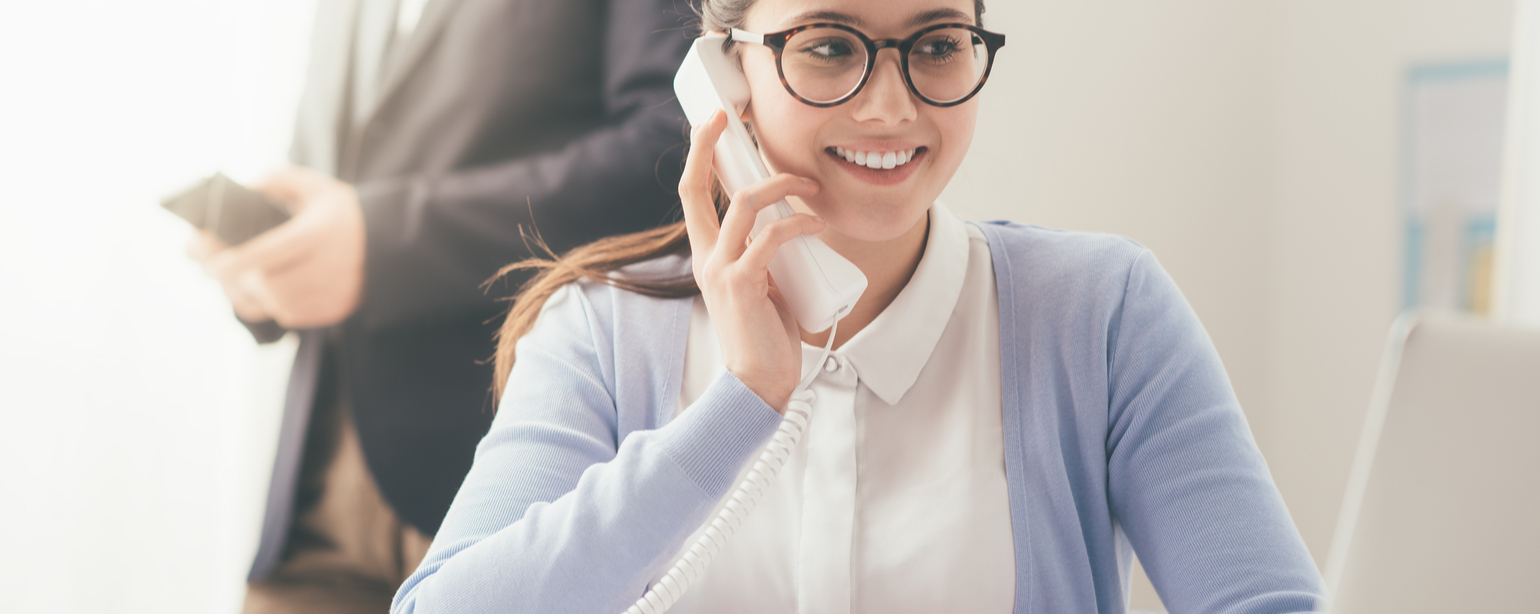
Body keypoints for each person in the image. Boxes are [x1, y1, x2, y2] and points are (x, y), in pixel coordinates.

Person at [390, 0, 1326, 612]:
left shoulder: (1101, 316)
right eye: (829, 48)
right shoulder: (603, 331)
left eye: (937, 45)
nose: (889, 107)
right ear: (725, 78)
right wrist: (739, 406)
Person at [186, 0, 697, 611]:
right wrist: (268, 267)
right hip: (318, 501)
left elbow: (668, 151)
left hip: (504, 475)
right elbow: (331, 178)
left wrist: (383, 246)